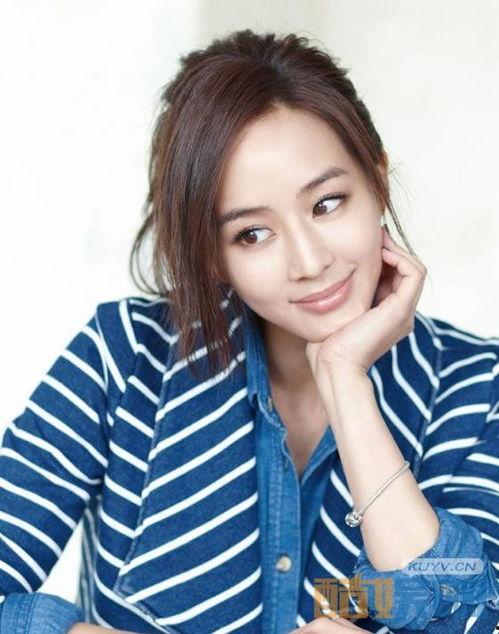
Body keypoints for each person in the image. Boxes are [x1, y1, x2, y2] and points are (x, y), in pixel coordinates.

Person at [0, 29, 498, 634]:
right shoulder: (125, 359)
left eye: (327, 203)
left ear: (378, 181)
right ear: (212, 254)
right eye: (252, 234)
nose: (309, 261)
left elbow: (468, 615)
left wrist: (344, 380)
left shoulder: (478, 390)